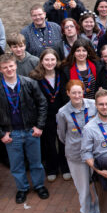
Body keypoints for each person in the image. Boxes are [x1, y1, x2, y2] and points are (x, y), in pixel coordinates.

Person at [0, 55, 48, 204]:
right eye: (5, 67)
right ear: (0, 69)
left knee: (36, 162)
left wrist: (39, 126)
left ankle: (39, 186)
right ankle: (22, 188)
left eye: (11, 66)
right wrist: (1, 134)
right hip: (12, 134)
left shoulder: (29, 83)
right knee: (16, 164)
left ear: (16, 66)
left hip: (31, 131)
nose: (9, 69)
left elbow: (42, 104)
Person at [56, 80, 99, 213]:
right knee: (83, 186)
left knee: (98, 184)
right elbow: (62, 135)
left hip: (95, 152)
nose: (77, 95)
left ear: (83, 92)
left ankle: (99, 210)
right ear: (68, 93)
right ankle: (87, 212)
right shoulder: (63, 112)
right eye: (73, 92)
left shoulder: (93, 105)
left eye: (79, 92)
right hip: (76, 154)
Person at [30, 48, 68, 183]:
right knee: (49, 143)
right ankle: (52, 168)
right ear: (41, 61)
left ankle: (65, 167)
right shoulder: (35, 77)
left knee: (63, 141)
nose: (50, 62)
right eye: (46, 59)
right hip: (45, 116)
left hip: (61, 114)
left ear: (57, 60)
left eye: (52, 59)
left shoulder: (62, 74)